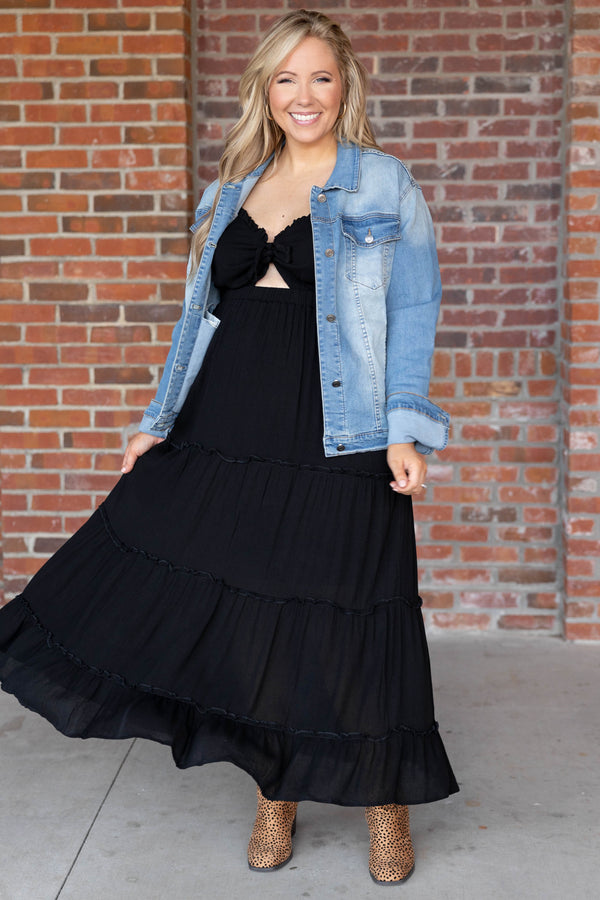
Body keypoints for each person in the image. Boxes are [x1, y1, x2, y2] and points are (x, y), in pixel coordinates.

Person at [0, 8, 458, 886]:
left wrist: (405, 429)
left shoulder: (384, 183)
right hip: (229, 417)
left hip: (341, 423)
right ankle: (274, 788)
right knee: (255, 613)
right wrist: (158, 419)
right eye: (286, 78)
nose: (303, 95)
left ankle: (384, 800)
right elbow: (195, 321)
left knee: (355, 610)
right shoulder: (229, 191)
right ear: (265, 91)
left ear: (346, 87)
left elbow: (414, 307)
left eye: (320, 77)